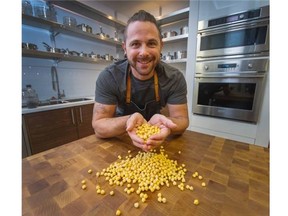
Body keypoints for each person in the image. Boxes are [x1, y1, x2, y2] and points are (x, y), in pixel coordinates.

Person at [92, 10, 189, 151]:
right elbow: (99, 127)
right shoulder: (109, 77)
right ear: (125, 48)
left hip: (157, 139)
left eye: (151, 43)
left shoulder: (174, 77)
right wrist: (129, 120)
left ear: (161, 46)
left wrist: (166, 125)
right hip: (121, 140)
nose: (144, 52)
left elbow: (182, 120)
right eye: (135, 44)